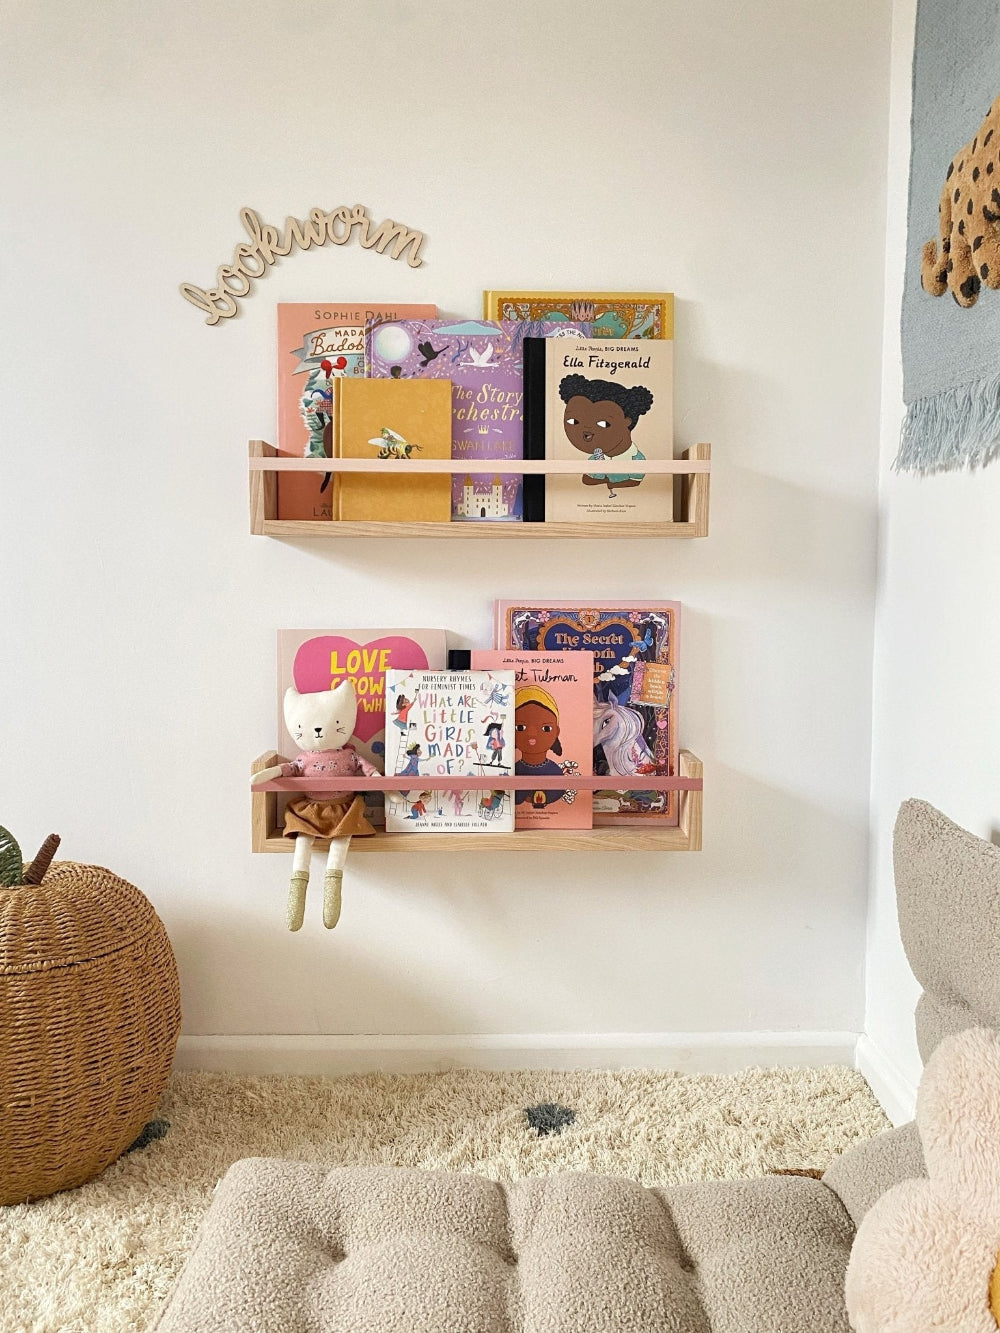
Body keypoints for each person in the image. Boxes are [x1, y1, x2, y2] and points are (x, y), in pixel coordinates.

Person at [558, 374, 654, 497]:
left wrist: (609, 482)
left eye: (603, 424)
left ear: (627, 421)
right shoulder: (596, 457)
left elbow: (635, 481)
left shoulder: (637, 459)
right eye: (574, 421)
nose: (586, 429)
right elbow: (586, 480)